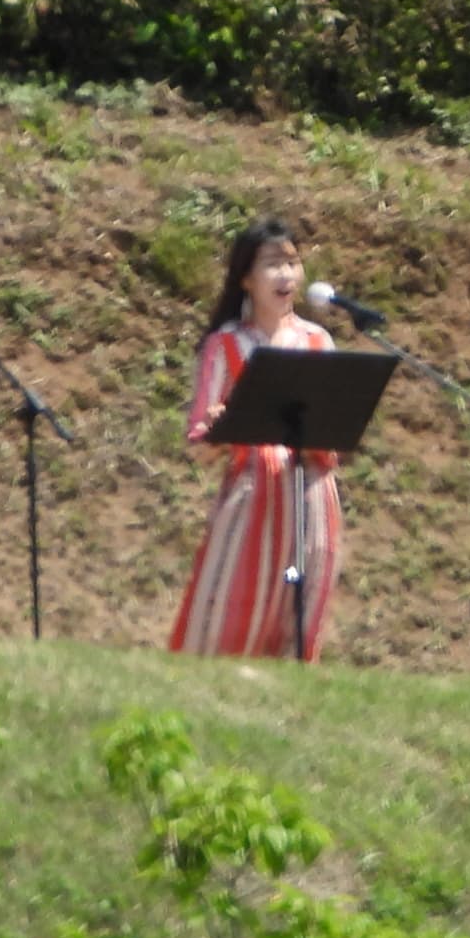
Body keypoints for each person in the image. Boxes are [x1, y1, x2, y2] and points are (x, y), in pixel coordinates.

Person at [170, 215, 346, 661]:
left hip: (310, 492)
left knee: (300, 599)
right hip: (253, 495)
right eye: (272, 264)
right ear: (246, 278)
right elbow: (201, 442)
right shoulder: (225, 345)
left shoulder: (318, 341)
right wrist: (220, 427)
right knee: (236, 599)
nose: (286, 275)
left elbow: (335, 434)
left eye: (292, 263)